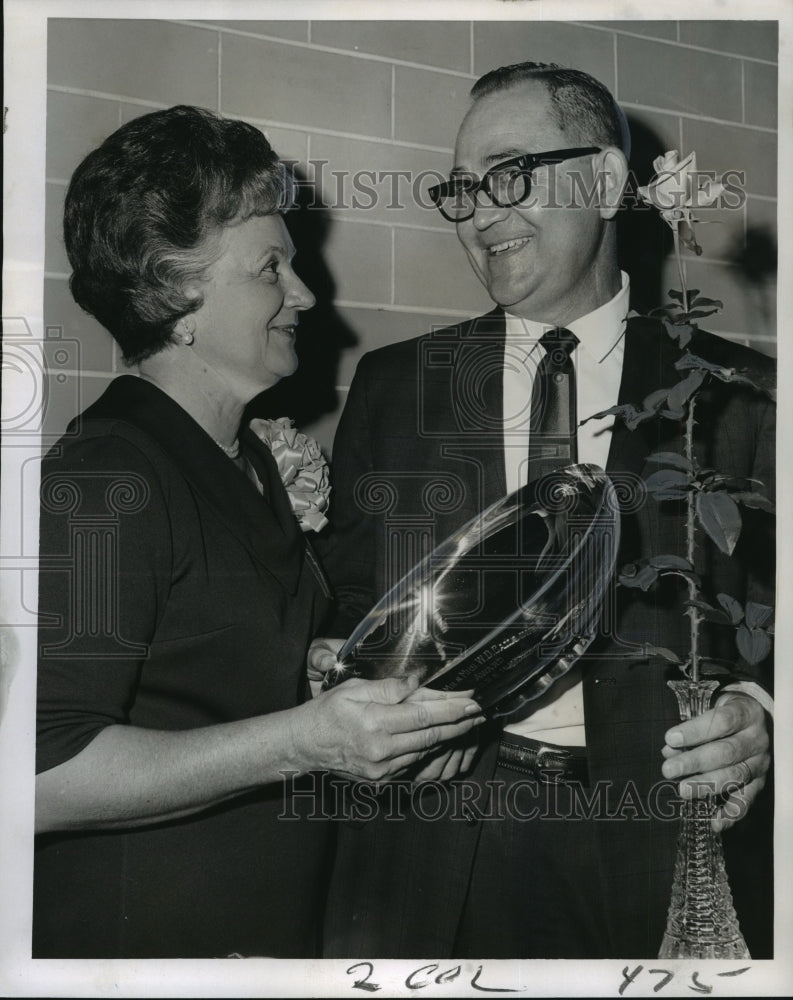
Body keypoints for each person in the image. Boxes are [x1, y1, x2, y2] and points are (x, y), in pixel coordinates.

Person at [318, 64, 774, 958]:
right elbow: (346, 602)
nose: (482, 213)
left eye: (510, 173)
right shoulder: (392, 386)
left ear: (604, 183)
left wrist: (764, 715)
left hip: (663, 841)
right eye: (462, 187)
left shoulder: (742, 396)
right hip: (436, 839)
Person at [33, 105, 483, 959]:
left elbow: (205, 676)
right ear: (175, 291)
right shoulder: (106, 477)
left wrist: (314, 679)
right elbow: (38, 772)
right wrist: (300, 741)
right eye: (271, 267)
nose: (306, 294)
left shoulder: (246, 463)